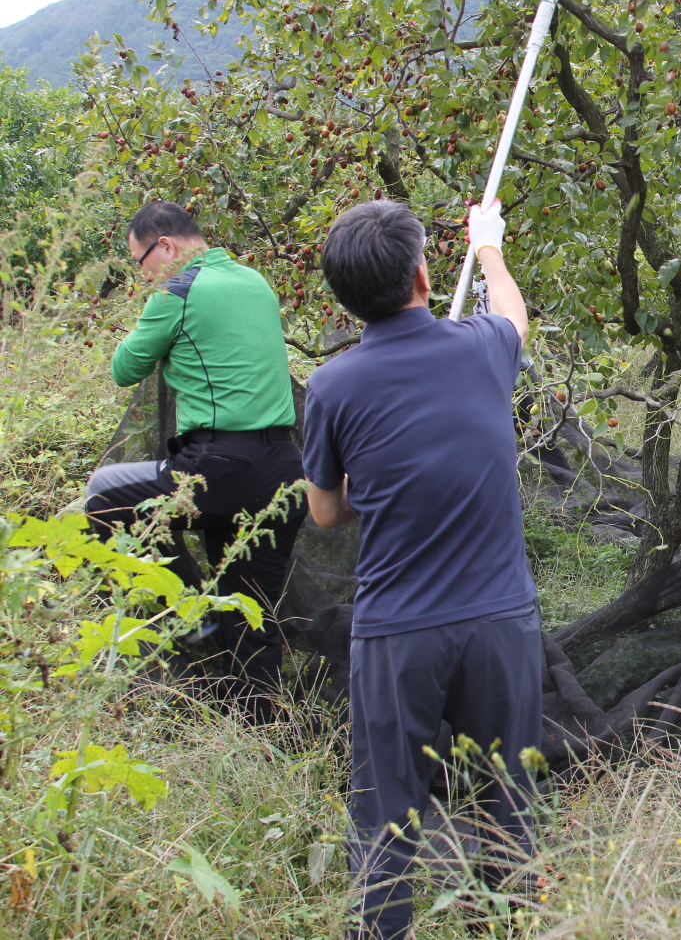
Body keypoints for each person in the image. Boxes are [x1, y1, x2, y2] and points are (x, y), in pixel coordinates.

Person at [303, 198, 541, 940]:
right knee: (506, 804)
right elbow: (512, 314)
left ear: (343, 300)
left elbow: (325, 513)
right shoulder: (481, 349)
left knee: (384, 814)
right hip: (499, 623)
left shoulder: (332, 388)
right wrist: (490, 245)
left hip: (397, 632)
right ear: (424, 274)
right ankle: (501, 926)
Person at [84, 200, 305, 721]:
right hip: (282, 471)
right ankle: (262, 740)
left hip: (218, 468)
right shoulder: (255, 281)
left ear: (165, 246)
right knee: (251, 621)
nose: (144, 277)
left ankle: (190, 613)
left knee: (104, 495)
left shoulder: (177, 291)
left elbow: (124, 368)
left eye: (141, 263)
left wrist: (154, 309)